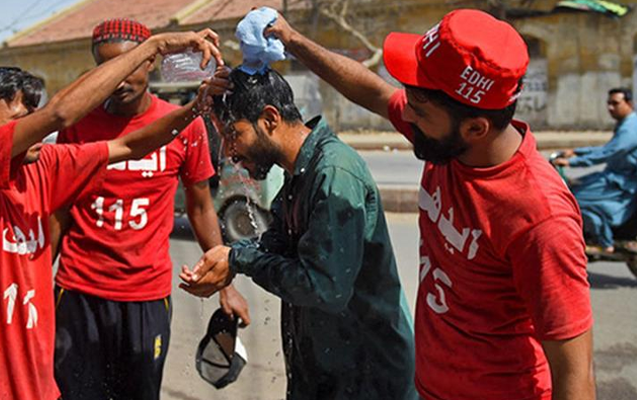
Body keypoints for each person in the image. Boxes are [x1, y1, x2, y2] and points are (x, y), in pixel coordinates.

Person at [186, 9, 596, 400]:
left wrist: (241, 260)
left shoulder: (540, 217)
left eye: (417, 109)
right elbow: (373, 91)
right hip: (429, 385)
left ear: (475, 127)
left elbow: (575, 373)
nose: (404, 115)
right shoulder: (447, 139)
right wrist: (291, 40)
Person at [0, 30, 223, 400]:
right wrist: (154, 46)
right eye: (22, 119)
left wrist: (195, 108)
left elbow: (129, 145)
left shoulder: (42, 164)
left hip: (40, 389)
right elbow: (60, 114)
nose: (36, 126)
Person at [181, 67, 418, 400]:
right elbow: (276, 243)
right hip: (325, 371)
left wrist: (238, 258)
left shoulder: (333, 173)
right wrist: (227, 261)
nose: (230, 153)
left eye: (234, 135)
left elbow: (323, 288)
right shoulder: (298, 175)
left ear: (269, 119)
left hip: (367, 377)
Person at [49, 18, 250, 400]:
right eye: (107, 68)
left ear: (149, 63)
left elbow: (202, 207)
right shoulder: (77, 125)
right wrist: (39, 283)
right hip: (79, 292)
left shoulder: (181, 125)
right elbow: (59, 209)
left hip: (147, 296)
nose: (119, 80)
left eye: (129, 67)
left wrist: (227, 285)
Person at [552, 87, 637, 253]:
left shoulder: (631, 128)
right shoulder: (626, 124)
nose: (610, 108)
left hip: (620, 184)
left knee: (572, 199)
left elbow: (609, 153)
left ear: (629, 104)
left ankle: (605, 242)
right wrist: (577, 152)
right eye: (609, 103)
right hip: (614, 178)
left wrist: (573, 163)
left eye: (615, 103)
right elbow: (607, 148)